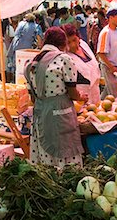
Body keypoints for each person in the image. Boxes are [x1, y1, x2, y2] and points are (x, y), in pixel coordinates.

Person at [24, 27, 87, 167]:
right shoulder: (64, 59)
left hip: (40, 114)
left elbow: (32, 98)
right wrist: (81, 97)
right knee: (64, 151)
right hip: (60, 115)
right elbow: (72, 93)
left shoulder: (31, 63)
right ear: (63, 43)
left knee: (45, 156)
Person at [61, 24, 101, 104]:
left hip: (95, 94)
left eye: (74, 40)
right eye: (68, 42)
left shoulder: (83, 45)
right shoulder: (64, 57)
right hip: (80, 100)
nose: (73, 45)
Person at [97, 8, 117, 98]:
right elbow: (100, 53)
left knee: (109, 89)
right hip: (108, 67)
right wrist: (111, 67)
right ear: (110, 18)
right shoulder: (105, 32)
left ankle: (99, 103)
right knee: (114, 93)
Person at [7, 13, 43, 80]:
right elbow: (39, 40)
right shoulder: (36, 26)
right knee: (25, 68)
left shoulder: (20, 24)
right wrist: (39, 47)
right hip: (27, 49)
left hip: (15, 47)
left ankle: (14, 81)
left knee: (16, 67)